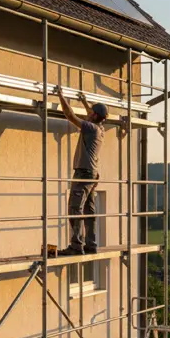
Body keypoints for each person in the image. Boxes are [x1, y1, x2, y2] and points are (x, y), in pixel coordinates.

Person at [55, 85, 109, 255]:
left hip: (83, 173)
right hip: (92, 174)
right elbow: (91, 114)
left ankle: (76, 246)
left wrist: (60, 96)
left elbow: (70, 115)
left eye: (91, 112)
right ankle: (91, 244)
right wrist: (85, 102)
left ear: (94, 116)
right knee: (88, 210)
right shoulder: (100, 129)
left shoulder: (90, 128)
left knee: (74, 208)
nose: (88, 114)